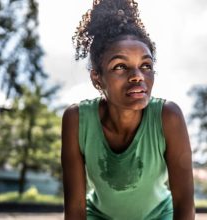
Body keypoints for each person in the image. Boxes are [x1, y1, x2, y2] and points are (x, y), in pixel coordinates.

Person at [61, 0, 195, 219]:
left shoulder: (168, 117)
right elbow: (75, 211)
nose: (137, 76)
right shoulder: (76, 119)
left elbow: (184, 204)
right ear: (97, 78)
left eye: (146, 66)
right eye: (120, 66)